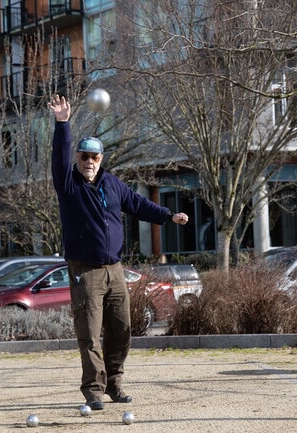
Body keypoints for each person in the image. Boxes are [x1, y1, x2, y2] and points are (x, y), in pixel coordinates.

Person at [48, 95, 189, 410]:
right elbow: (59, 157)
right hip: (85, 270)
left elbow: (139, 206)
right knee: (89, 333)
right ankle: (94, 389)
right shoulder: (68, 184)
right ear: (79, 159)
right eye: (84, 156)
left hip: (115, 269)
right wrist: (62, 124)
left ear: (101, 159)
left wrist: (168, 216)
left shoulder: (112, 185)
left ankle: (115, 383)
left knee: (122, 330)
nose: (88, 162)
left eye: (94, 158)